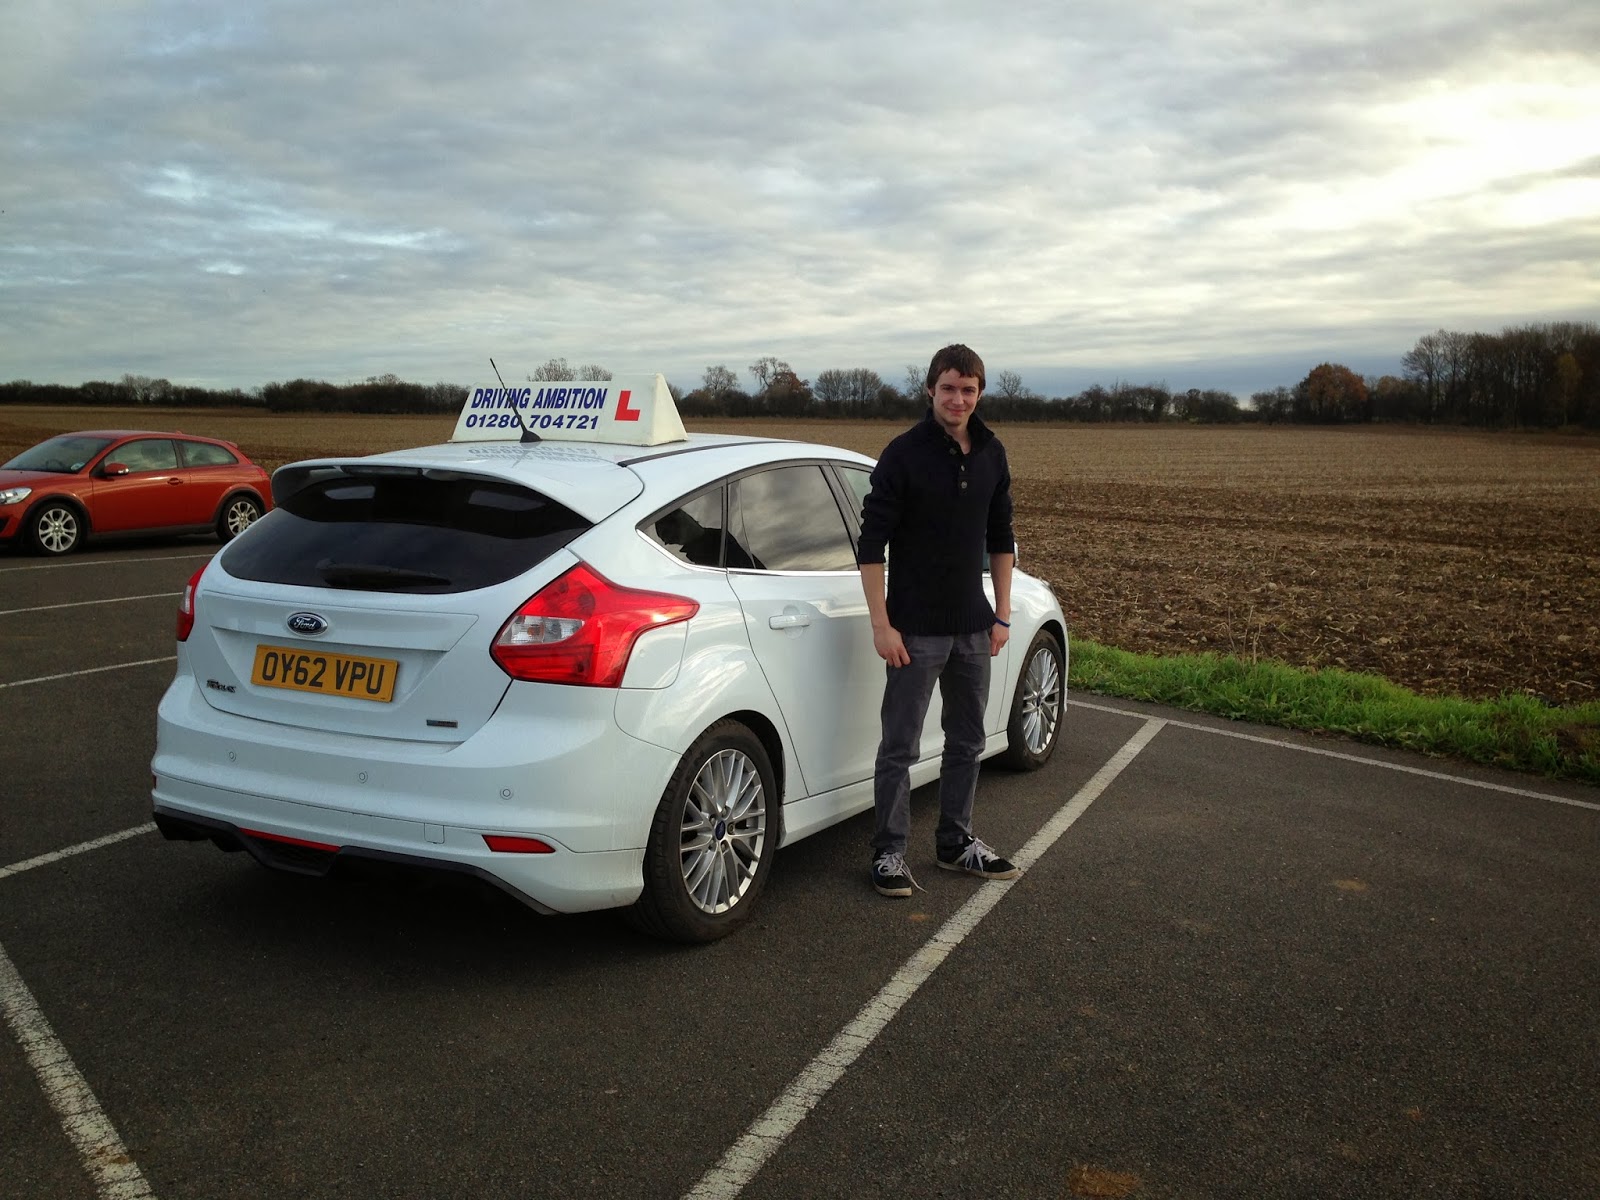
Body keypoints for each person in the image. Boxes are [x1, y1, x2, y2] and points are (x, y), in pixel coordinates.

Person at [856, 343, 1020, 898]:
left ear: (979, 394)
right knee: (899, 747)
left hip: (974, 627)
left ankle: (955, 843)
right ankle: (889, 853)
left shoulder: (993, 454)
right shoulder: (903, 454)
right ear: (930, 390)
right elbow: (871, 546)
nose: (958, 398)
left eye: (968, 390)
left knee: (967, 741)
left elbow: (1001, 539)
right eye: (948, 388)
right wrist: (882, 625)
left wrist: (1001, 612)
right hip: (915, 630)